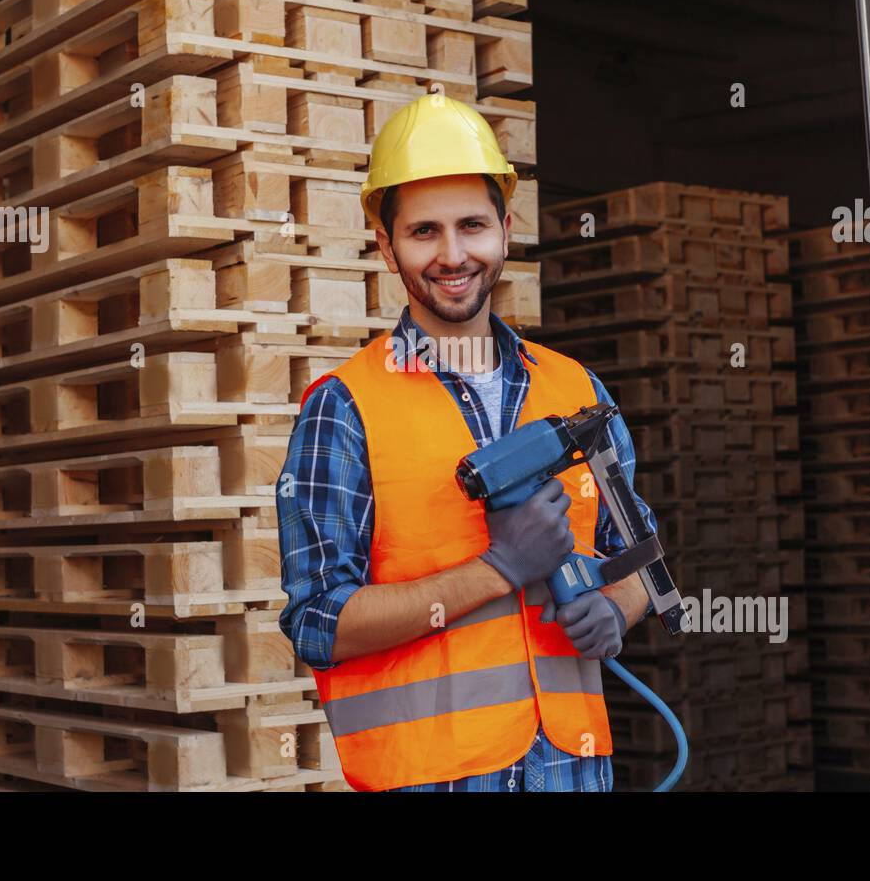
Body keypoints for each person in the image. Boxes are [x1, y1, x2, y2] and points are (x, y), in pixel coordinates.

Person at [277, 93, 658, 792]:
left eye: (472, 226)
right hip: (433, 780)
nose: (453, 255)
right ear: (386, 245)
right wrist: (499, 568)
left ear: (506, 230)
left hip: (572, 770)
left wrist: (615, 608)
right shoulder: (346, 408)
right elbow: (316, 621)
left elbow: (640, 559)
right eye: (425, 232)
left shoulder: (577, 390)